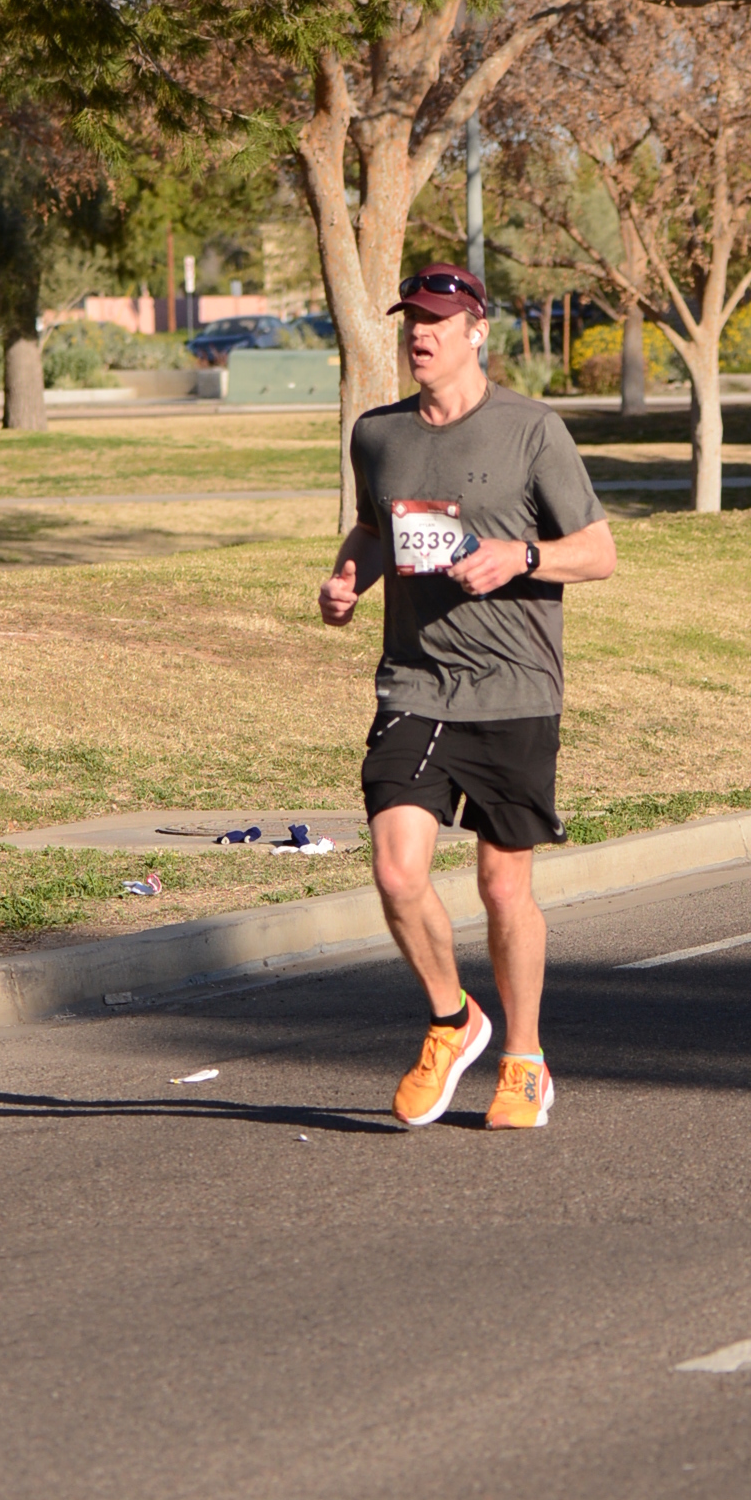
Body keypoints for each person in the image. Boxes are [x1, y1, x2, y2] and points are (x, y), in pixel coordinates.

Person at [319, 264, 618, 1127]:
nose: (421, 333)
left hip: (515, 688)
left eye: (439, 321)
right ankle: (453, 1021)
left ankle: (524, 1058)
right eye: (412, 319)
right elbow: (374, 529)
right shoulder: (378, 435)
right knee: (395, 869)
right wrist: (347, 581)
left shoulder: (531, 430)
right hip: (415, 682)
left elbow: (598, 552)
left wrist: (522, 557)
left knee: (501, 887)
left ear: (477, 331)